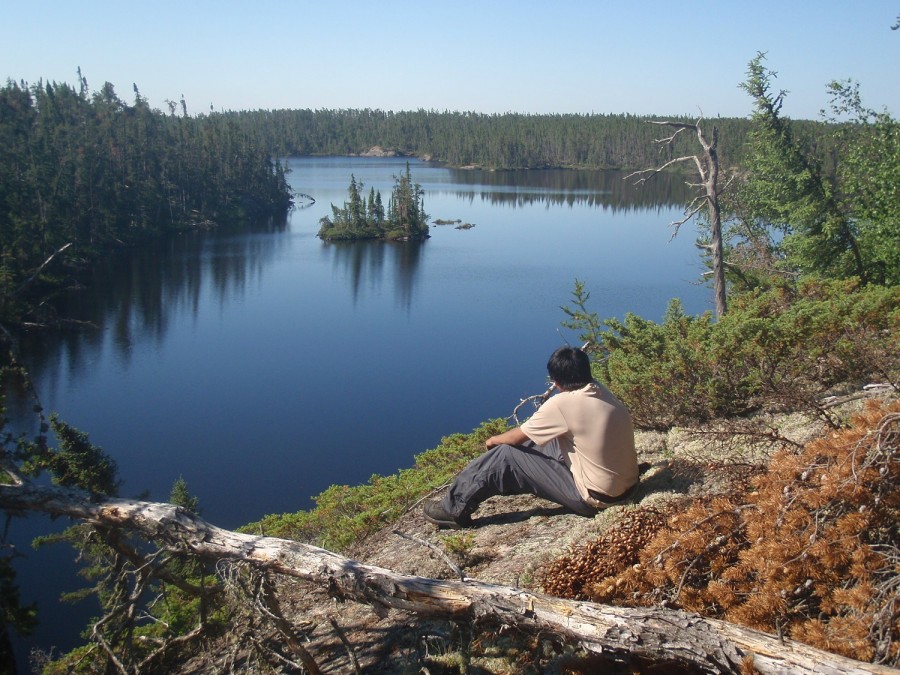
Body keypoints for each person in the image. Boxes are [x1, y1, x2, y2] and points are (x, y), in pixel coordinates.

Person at [423, 346, 639, 529]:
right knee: (548, 439)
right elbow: (535, 436)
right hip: (628, 487)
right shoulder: (600, 390)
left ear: (556, 381)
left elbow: (515, 439)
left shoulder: (563, 403)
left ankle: (453, 510)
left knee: (505, 455)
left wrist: (491, 441)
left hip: (596, 499)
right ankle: (500, 486)